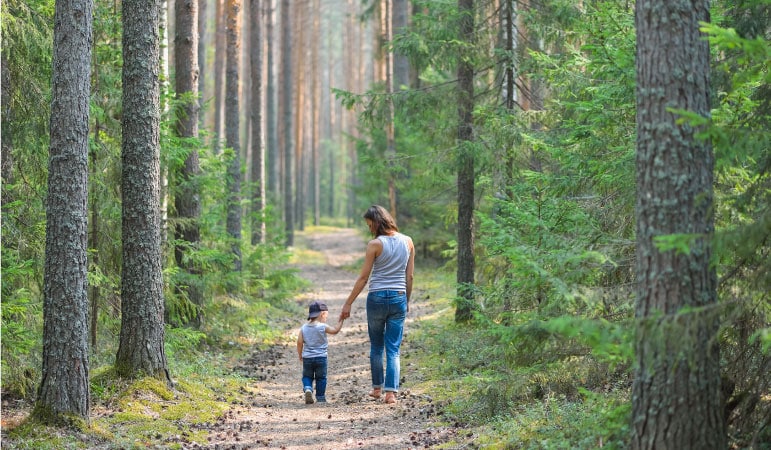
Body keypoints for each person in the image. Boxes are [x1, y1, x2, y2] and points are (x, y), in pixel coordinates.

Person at [340, 205, 415, 405]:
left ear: (377, 221)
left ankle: (376, 388)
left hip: (377, 298)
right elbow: (410, 276)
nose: (369, 228)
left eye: (369, 224)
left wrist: (348, 303)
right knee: (393, 348)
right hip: (399, 296)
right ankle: (391, 393)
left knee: (376, 346)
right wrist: (406, 299)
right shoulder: (408, 242)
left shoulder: (375, 244)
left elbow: (364, 277)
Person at [297, 301, 345, 404]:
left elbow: (299, 342)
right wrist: (341, 320)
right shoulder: (322, 327)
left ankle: (308, 388)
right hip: (321, 358)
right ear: (322, 314)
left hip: (308, 358)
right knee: (321, 378)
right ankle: (321, 398)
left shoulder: (304, 328)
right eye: (326, 316)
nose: (326, 319)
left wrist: (300, 354)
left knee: (307, 376)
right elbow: (335, 330)